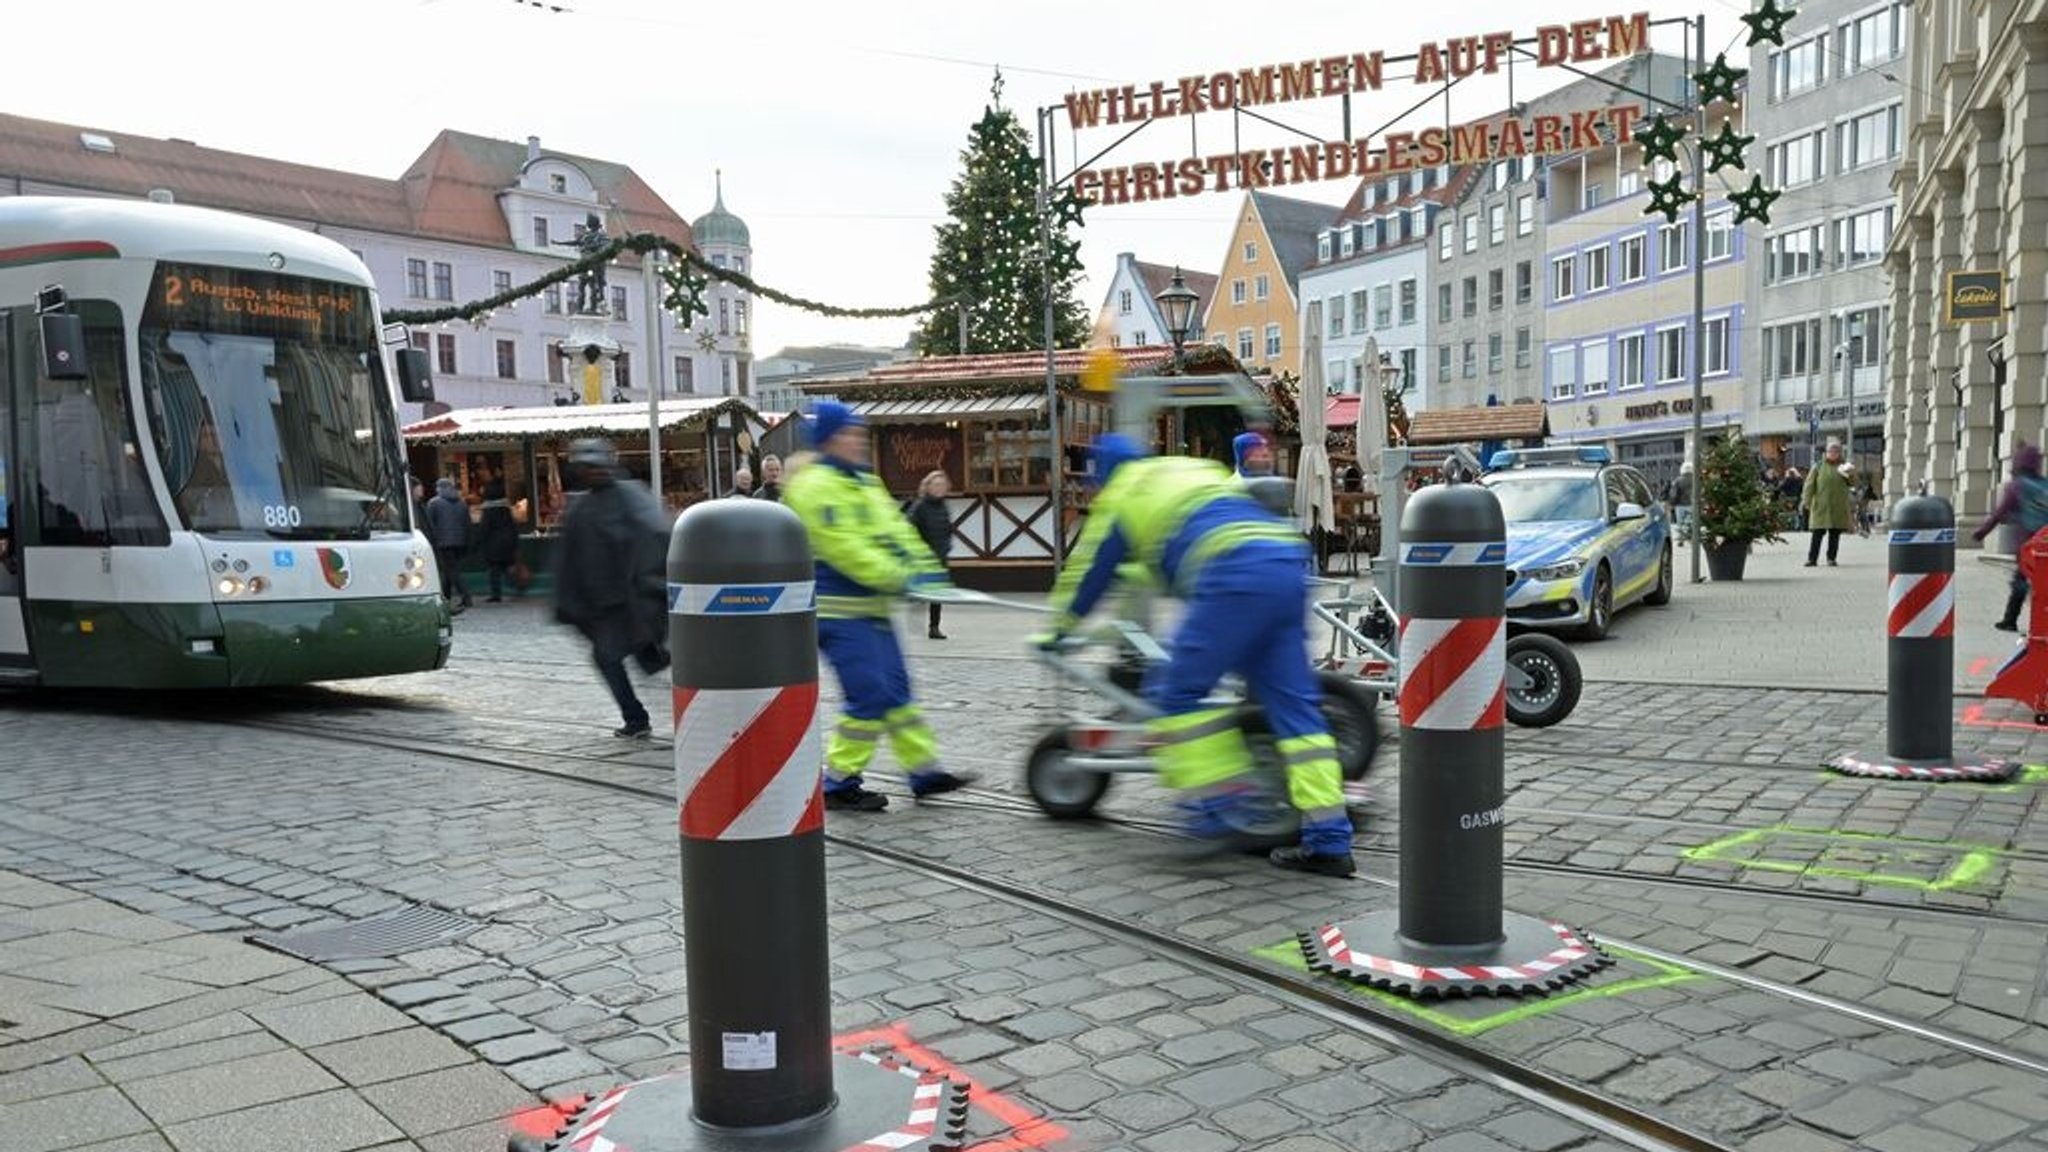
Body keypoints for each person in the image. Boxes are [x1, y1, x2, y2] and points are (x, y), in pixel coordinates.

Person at [1041, 433, 1355, 877]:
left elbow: (1093, 574)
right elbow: (1193, 530)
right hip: (1284, 565)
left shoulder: (1123, 495)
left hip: (1233, 573)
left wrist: (1058, 630)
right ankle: (1330, 841)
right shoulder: (1194, 470)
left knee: (1176, 693)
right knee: (1296, 712)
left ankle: (1220, 812)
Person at [784, 402, 970, 810]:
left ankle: (922, 771)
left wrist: (930, 574)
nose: (859, 440)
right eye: (851, 433)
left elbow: (898, 533)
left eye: (859, 433)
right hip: (837, 614)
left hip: (874, 611)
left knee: (898, 694)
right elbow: (846, 549)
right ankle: (837, 782)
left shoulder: (865, 482)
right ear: (831, 439)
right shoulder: (813, 487)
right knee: (869, 695)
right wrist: (900, 577)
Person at [552, 439, 670, 737]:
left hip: (635, 602)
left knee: (651, 654)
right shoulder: (582, 507)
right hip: (606, 607)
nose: (593, 472)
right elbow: (571, 554)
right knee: (609, 658)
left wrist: (649, 585)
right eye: (587, 467)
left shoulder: (631, 496)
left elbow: (654, 538)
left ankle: (643, 717)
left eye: (596, 466)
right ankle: (636, 718)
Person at [1974, 443, 2048, 631]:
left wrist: (1981, 532)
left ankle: (2010, 620)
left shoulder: (2016, 487)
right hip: (2045, 541)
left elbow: (1999, 513)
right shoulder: (2044, 485)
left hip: (2028, 544)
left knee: (2021, 581)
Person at [908, 470, 954, 640]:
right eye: (935, 485)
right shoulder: (920, 506)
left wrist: (947, 547)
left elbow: (948, 530)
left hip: (940, 556)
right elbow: (908, 528)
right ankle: (914, 601)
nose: (939, 488)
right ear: (927, 487)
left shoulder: (944, 507)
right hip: (923, 556)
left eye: (942, 485)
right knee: (922, 590)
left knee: (937, 594)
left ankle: (934, 627)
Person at [1801, 441, 1855, 567]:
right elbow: (1809, 485)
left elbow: (1852, 484)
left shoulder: (1843, 467)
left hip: (1837, 506)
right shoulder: (1818, 466)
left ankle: (1831, 558)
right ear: (1826, 453)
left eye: (1836, 452)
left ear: (1839, 454)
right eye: (1831, 451)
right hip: (1821, 506)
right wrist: (1806, 501)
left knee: (1834, 534)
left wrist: (1851, 474)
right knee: (1817, 534)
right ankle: (1812, 559)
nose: (1833, 454)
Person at [426, 477, 473, 611]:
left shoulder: (433, 503)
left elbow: (430, 524)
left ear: (439, 488)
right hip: (460, 542)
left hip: (443, 542)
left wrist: (432, 541)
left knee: (451, 571)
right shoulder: (462, 503)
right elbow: (467, 524)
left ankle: (466, 597)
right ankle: (446, 597)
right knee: (450, 570)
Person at [478, 467, 520, 602]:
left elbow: (484, 529)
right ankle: (517, 586)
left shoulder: (488, 511)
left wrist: (478, 543)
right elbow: (513, 526)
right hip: (507, 543)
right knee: (507, 567)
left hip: (493, 545)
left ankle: (496, 595)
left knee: (494, 570)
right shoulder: (506, 509)